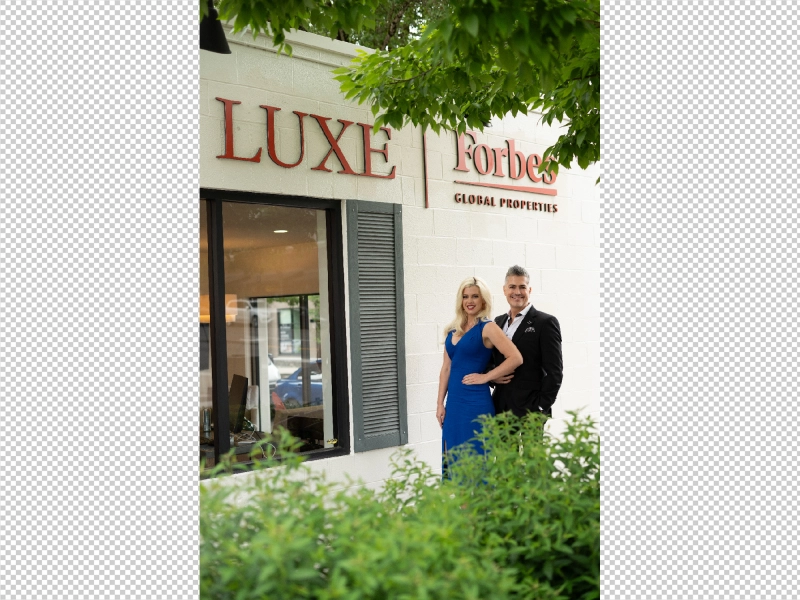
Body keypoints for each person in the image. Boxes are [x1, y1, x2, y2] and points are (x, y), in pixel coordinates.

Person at [436, 276, 523, 471]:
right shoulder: (453, 330)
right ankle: (462, 503)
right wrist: (439, 404)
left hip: (475, 405)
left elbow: (516, 357)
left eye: (475, 296)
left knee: (475, 467)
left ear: (483, 299)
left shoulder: (488, 327)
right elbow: (446, 369)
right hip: (454, 407)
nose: (470, 301)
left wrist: (486, 377)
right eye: (465, 296)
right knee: (455, 463)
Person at [491, 265, 563, 433]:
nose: (517, 292)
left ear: (529, 290)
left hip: (531, 410)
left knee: (534, 459)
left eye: (522, 287)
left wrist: (541, 406)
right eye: (512, 287)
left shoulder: (545, 322)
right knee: (504, 459)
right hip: (501, 408)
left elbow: (555, 372)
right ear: (504, 290)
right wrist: (492, 378)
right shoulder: (498, 322)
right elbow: (490, 360)